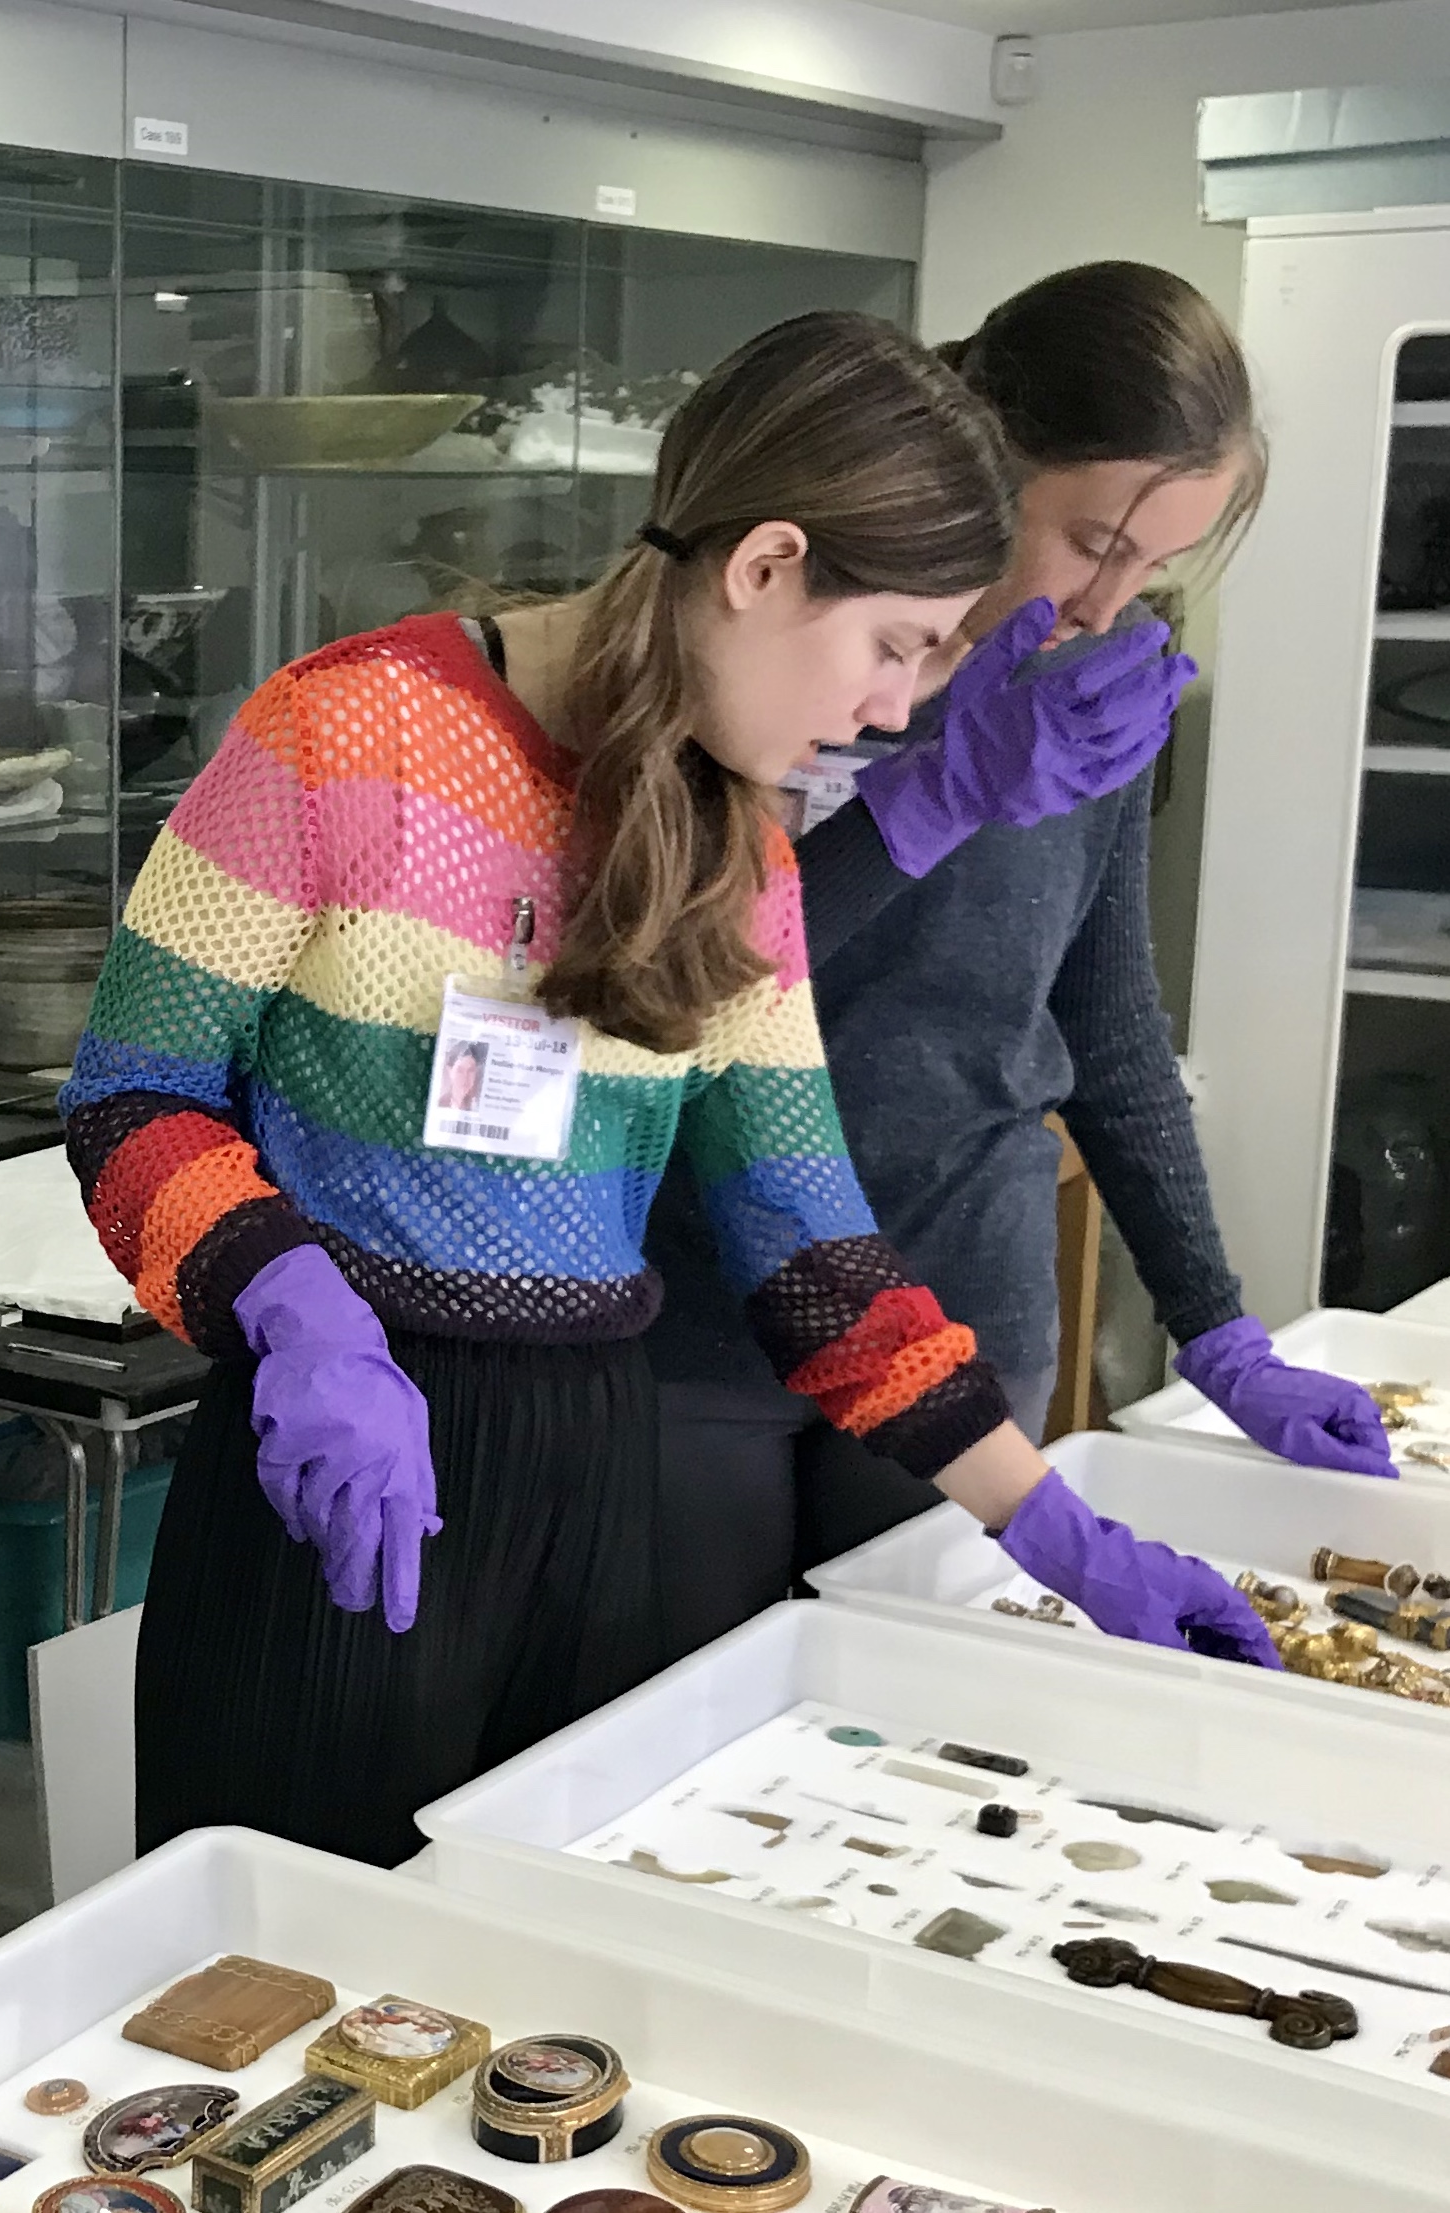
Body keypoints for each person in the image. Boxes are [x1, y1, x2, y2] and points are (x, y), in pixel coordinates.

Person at [62, 310, 1279, 1872]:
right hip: (341, 1473)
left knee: (535, 2004)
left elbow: (809, 1248)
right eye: (897, 642)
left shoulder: (730, 843)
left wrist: (1050, 1527)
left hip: (594, 1478)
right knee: (285, 1985)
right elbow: (132, 1092)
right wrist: (287, 1300)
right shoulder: (343, 726)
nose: (900, 709)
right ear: (767, 564)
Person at [642, 261, 1381, 1663]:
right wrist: (926, 799)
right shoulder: (777, 640)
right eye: (1091, 539)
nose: (1112, 601)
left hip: (964, 1296)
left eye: (1156, 561)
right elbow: (696, 984)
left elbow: (1105, 1020)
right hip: (701, 1307)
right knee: (674, 1722)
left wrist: (1215, 1327)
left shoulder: (1089, 691)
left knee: (912, 1737)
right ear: (982, 460)